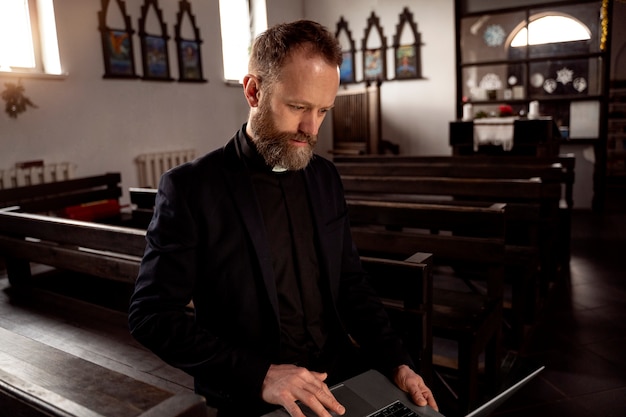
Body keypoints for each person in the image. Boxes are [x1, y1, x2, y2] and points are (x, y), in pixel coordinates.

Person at [128, 19, 438, 417]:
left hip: (339, 377)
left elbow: (350, 284)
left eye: (323, 110)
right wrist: (261, 375)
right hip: (255, 395)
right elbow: (150, 316)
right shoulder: (192, 188)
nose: (311, 128)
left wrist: (397, 362)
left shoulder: (324, 177)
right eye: (298, 107)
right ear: (254, 91)